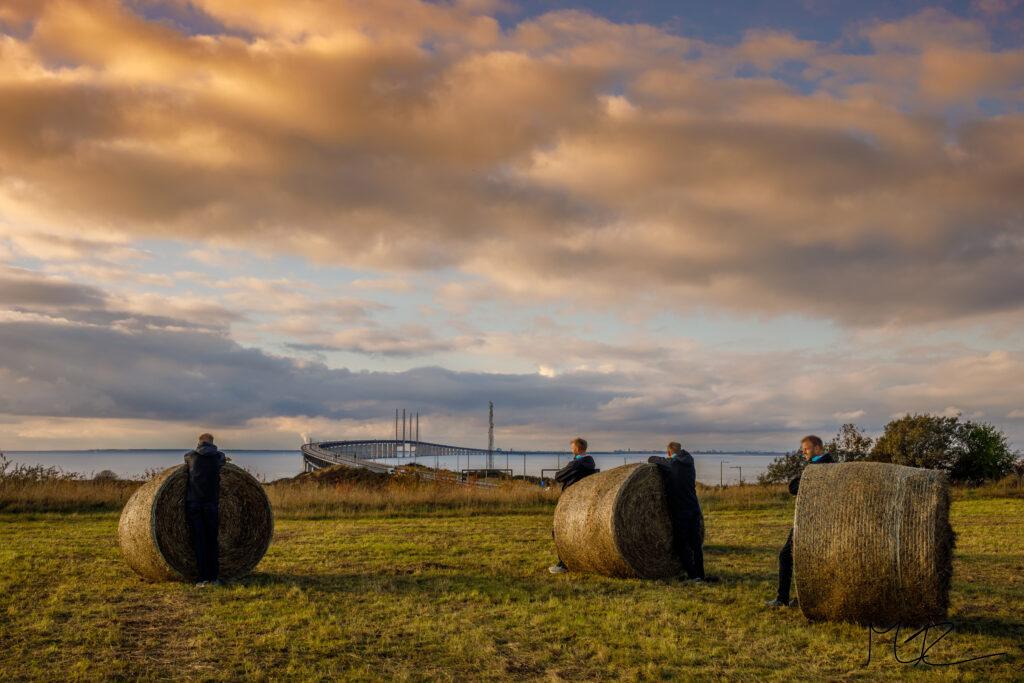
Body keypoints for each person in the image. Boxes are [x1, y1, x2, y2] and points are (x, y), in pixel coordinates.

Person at [766, 435, 835, 608]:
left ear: (818, 448)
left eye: (807, 448)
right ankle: (805, 597)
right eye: (803, 449)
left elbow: (794, 487)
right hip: (816, 519)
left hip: (810, 520)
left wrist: (801, 477)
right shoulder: (825, 464)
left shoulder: (820, 466)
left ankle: (782, 598)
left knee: (786, 555)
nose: (803, 452)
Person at [648, 442, 705, 581]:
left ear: (669, 452)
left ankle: (693, 575)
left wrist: (667, 459)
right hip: (694, 508)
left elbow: (652, 459)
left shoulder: (672, 464)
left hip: (681, 510)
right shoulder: (690, 462)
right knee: (696, 544)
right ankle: (700, 574)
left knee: (681, 543)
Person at [548, 437, 597, 574]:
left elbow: (558, 476)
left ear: (577, 448)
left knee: (558, 532)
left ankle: (564, 563)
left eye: (572, 447)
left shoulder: (577, 463)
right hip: (582, 501)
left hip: (571, 501)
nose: (571, 450)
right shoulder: (590, 462)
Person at [184, 433, 226, 587]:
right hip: (211, 504)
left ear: (199, 442)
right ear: (212, 442)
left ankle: (201, 579)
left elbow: (186, 458)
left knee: (199, 541)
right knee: (212, 541)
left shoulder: (190, 456)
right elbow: (222, 459)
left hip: (194, 503)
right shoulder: (218, 457)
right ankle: (214, 578)